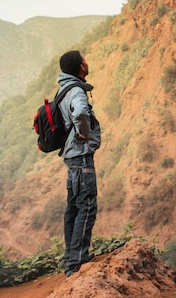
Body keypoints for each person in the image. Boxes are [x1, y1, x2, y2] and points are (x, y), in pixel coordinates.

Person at [57, 50, 101, 277]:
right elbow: (81, 112)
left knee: (73, 208)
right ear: (80, 67)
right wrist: (84, 134)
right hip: (81, 155)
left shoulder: (63, 89)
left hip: (71, 157)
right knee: (87, 206)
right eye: (84, 59)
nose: (87, 62)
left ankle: (71, 260)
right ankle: (78, 262)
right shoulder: (76, 90)